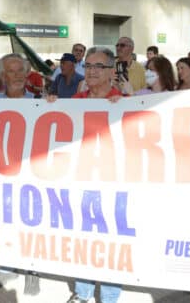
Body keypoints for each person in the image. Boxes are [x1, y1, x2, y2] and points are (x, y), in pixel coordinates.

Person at [67, 47, 123, 303]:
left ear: (112, 71)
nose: (90, 71)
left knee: (114, 239)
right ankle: (83, 292)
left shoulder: (126, 102)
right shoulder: (75, 102)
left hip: (115, 182)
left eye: (98, 66)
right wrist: (45, 107)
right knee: (84, 237)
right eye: (88, 65)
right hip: (82, 179)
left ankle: (110, 296)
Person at [0, 53, 39, 296]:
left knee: (32, 220)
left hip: (32, 171)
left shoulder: (40, 100)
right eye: (11, 71)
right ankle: (7, 266)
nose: (17, 75)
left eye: (21, 70)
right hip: (3, 172)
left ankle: (33, 269)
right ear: (2, 76)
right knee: (6, 219)